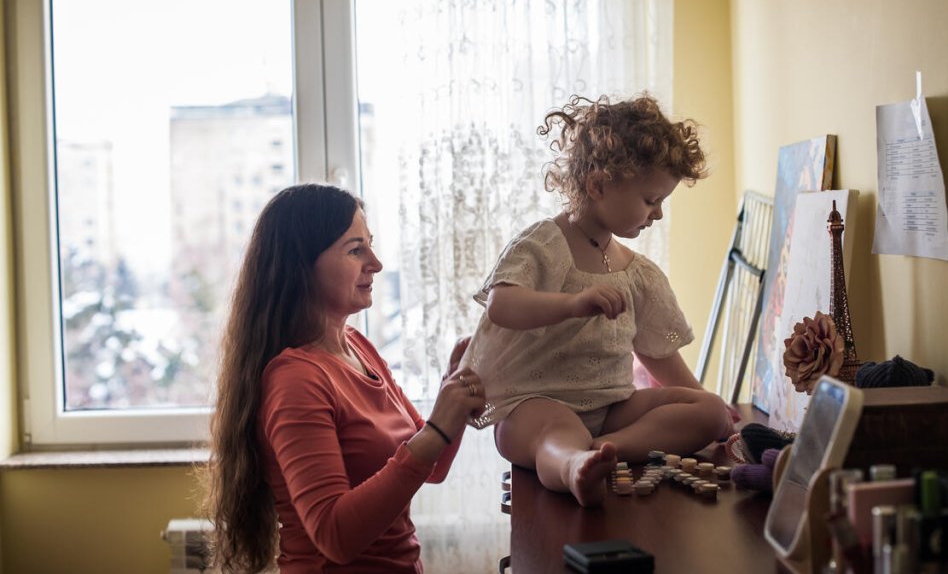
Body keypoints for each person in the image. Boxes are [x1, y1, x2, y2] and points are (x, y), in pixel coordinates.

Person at [460, 94, 734, 507]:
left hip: (612, 408)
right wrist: (571, 305)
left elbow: (658, 353)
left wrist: (720, 416)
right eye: (650, 200)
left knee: (709, 411)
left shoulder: (634, 271)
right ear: (599, 185)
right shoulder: (546, 244)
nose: (657, 214)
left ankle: (607, 449)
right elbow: (501, 305)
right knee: (557, 433)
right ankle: (574, 465)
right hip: (536, 407)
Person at [205, 183, 486, 573]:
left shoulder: (358, 347)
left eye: (370, 245)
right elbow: (335, 536)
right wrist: (438, 428)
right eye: (356, 250)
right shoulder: (296, 380)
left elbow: (430, 466)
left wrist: (450, 395)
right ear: (302, 265)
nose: (376, 262)